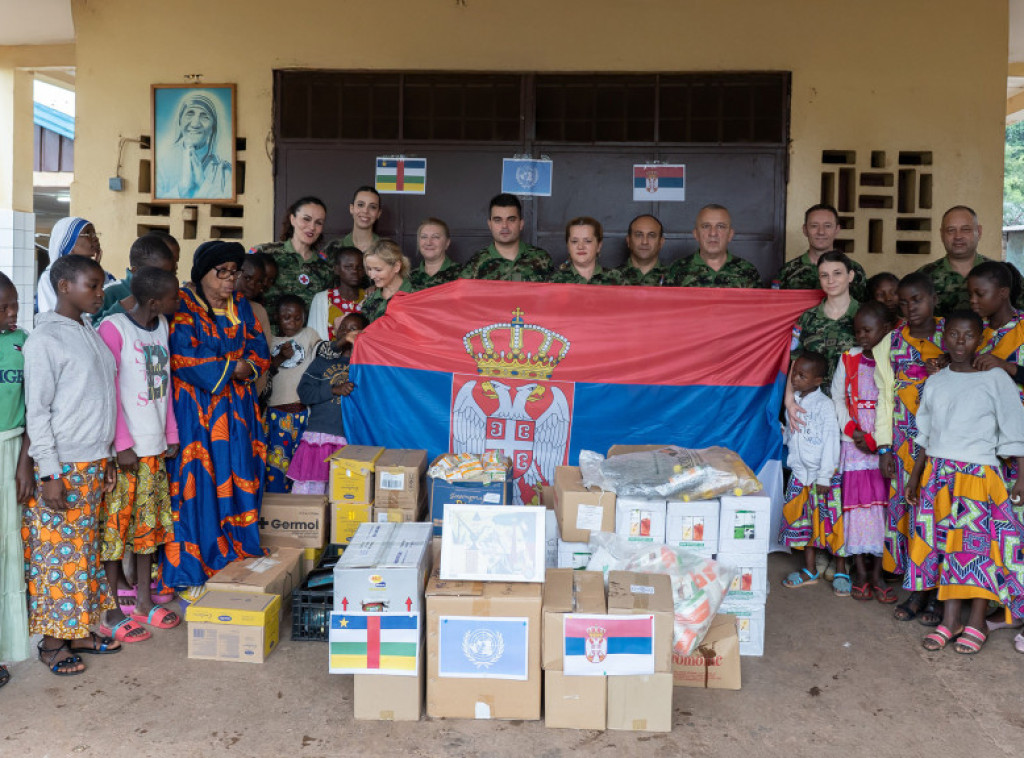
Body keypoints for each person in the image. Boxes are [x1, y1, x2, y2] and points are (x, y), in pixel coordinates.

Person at [23, 255, 122, 676]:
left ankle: (79, 631)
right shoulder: (45, 340)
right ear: (65, 286)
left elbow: (101, 400)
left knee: (84, 553)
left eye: (101, 286)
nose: (101, 293)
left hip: (94, 461)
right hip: (63, 466)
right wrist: (49, 472)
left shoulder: (89, 331)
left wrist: (110, 454)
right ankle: (50, 643)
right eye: (93, 285)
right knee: (59, 557)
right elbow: (38, 412)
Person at [906, 309, 1024, 653]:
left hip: (979, 478)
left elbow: (1015, 430)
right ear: (943, 338)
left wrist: (1021, 479)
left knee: (978, 554)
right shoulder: (937, 380)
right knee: (945, 551)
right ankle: (950, 620)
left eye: (969, 335)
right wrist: (915, 477)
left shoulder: (995, 379)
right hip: (940, 477)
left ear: (980, 339)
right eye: (954, 335)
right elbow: (925, 434)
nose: (960, 342)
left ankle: (975, 623)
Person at [162, 241, 270, 590]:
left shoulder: (242, 306)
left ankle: (236, 549)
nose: (229, 279)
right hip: (196, 411)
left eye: (233, 272)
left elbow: (259, 350)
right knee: (199, 482)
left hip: (238, 411)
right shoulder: (182, 304)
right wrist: (231, 366)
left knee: (239, 473)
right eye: (220, 272)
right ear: (201, 273)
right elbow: (182, 356)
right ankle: (195, 563)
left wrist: (247, 367)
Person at [96, 268, 182, 640]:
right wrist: (121, 443)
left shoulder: (161, 325)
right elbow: (108, 389)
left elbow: (166, 384)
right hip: (126, 452)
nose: (177, 303)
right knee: (114, 534)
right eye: (173, 298)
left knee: (148, 530)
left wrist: (171, 433)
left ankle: (144, 602)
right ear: (152, 300)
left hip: (154, 449)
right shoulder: (115, 329)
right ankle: (111, 608)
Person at [873, 272, 945, 625]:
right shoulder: (891, 342)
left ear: (933, 298)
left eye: (917, 299)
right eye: (903, 302)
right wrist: (885, 448)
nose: (910, 307)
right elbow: (885, 399)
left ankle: (941, 595)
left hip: (947, 443)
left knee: (942, 517)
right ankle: (919, 590)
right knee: (915, 515)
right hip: (904, 445)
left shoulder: (953, 335)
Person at [831, 301, 897, 603]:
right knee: (856, 509)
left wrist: (879, 440)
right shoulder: (849, 359)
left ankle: (878, 573)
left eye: (868, 330)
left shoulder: (893, 359)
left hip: (883, 443)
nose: (862, 336)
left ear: (887, 330)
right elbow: (838, 399)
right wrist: (854, 432)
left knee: (881, 508)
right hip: (855, 444)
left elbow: (893, 403)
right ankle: (860, 570)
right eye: (858, 330)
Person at [779, 351, 843, 590]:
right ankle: (810, 569)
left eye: (802, 376)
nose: (795, 379)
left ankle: (841, 571)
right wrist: (782, 432)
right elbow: (792, 436)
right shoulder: (793, 401)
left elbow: (830, 442)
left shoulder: (825, 406)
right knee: (805, 525)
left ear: (818, 381)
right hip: (799, 475)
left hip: (821, 477)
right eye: (794, 373)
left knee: (830, 524)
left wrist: (825, 476)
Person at [291, 313, 366, 494]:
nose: (347, 332)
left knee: (343, 496)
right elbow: (305, 393)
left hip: (350, 440)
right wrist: (333, 389)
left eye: (353, 329)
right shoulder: (322, 362)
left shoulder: (366, 365)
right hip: (319, 437)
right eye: (343, 328)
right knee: (310, 496)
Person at [0, 273, 32, 686]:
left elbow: (33, 409)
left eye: (14, 306)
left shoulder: (24, 344)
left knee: (10, 551)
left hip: (11, 451)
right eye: (3, 308)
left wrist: (25, 462)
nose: (12, 314)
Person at [915, 205, 1024, 317]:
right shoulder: (923, 276)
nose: (958, 236)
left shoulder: (1002, 274)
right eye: (951, 230)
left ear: (979, 232)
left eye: (965, 229)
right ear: (942, 234)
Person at [264, 295, 319, 493]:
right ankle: (279, 505)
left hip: (305, 413)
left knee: (303, 463)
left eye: (298, 318)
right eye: (287, 317)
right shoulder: (269, 341)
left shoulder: (309, 335)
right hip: (277, 415)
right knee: (277, 463)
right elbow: (264, 373)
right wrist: (279, 357)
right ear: (276, 317)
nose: (292, 322)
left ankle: (301, 504)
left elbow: (323, 353)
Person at [256, 197, 333, 329]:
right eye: (306, 219)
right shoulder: (265, 253)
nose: (312, 227)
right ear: (293, 219)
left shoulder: (325, 267)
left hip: (306, 342)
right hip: (264, 337)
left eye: (319, 223)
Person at [775, 204, 867, 301]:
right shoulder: (787, 271)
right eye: (814, 226)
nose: (821, 232)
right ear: (805, 230)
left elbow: (862, 310)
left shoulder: (854, 269)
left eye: (827, 226)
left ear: (837, 230)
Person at [156, 92, 232, 200]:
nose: (195, 124)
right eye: (190, 114)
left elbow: (227, 211)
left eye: (204, 116)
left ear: (213, 128)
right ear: (180, 121)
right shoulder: (162, 165)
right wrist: (182, 188)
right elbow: (155, 207)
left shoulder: (224, 171)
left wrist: (202, 183)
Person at [460, 193, 552, 281]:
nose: (504, 226)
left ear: (521, 224)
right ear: (490, 225)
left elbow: (554, 295)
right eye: (498, 220)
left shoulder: (541, 258)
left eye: (511, 220)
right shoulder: (476, 263)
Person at [666, 204, 761, 288]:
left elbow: (759, 307)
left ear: (730, 234)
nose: (713, 233)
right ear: (696, 234)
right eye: (706, 226)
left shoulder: (748, 271)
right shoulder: (676, 270)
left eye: (720, 226)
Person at [93, 233, 177, 324]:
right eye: (156, 275)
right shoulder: (110, 293)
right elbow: (91, 331)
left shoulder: (167, 295)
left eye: (168, 274)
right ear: (135, 271)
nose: (164, 281)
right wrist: (121, 307)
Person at [37, 217, 109, 313]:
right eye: (88, 233)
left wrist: (94, 271)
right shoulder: (50, 277)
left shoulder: (105, 275)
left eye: (94, 234)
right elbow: (53, 316)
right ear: (69, 243)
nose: (95, 238)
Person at [308, 246, 366, 341]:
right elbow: (313, 340)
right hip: (327, 355)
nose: (355, 271)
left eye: (359, 267)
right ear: (336, 269)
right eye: (348, 267)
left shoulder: (370, 299)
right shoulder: (321, 299)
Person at [550, 217, 622, 285]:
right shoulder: (554, 282)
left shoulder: (617, 280)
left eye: (588, 241)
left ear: (599, 246)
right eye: (574, 241)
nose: (580, 246)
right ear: (568, 246)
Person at [361, 239, 413, 323]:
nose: (372, 276)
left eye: (378, 270)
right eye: (369, 269)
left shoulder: (416, 295)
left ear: (396, 267)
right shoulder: (370, 300)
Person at [409, 218, 462, 290]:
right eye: (424, 237)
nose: (428, 242)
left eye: (435, 237)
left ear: (447, 243)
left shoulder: (462, 275)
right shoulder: (408, 278)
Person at [617, 214, 667, 286]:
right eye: (638, 235)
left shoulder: (676, 280)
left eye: (651, 235)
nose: (644, 242)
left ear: (661, 242)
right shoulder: (610, 278)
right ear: (628, 241)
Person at [333, 186, 382, 253]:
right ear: (351, 208)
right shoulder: (333, 248)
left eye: (372, 207)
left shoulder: (387, 250)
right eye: (360, 205)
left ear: (378, 213)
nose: (365, 211)